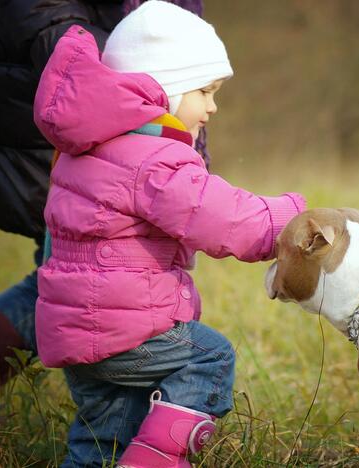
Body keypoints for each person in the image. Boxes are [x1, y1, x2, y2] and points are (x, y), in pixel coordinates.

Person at [0, 0, 204, 439]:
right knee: (90, 287)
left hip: (74, 138)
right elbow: (60, 37)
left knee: (64, 283)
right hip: (62, 142)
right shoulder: (65, 30)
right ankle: (113, 439)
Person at [32, 2, 306, 466]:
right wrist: (291, 219)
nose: (212, 106)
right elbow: (223, 219)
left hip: (78, 337)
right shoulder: (154, 158)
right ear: (166, 88)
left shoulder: (84, 150)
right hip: (126, 333)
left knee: (105, 438)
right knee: (209, 356)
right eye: (205, 90)